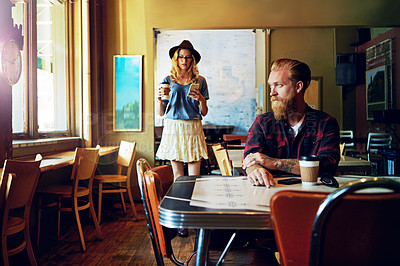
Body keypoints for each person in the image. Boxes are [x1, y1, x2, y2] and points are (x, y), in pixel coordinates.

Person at [242, 58, 340, 187]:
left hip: (314, 196)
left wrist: (275, 163)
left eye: (279, 85)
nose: (272, 93)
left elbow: (327, 166)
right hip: (269, 192)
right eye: (271, 85)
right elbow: (250, 159)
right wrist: (255, 169)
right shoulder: (262, 123)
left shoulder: (326, 123)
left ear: (298, 86)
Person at [156, 41, 209, 236]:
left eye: (187, 57)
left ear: (192, 59)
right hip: (173, 127)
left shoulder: (200, 81)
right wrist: (160, 100)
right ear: (175, 59)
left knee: (193, 179)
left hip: (193, 126)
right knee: (179, 178)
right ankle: (181, 221)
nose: (184, 60)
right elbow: (162, 113)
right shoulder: (167, 80)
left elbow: (204, 112)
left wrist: (201, 100)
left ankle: (192, 215)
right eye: (181, 56)